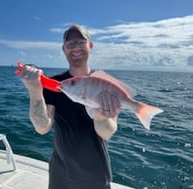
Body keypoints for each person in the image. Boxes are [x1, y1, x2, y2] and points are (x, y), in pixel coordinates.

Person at [19, 24, 120, 189]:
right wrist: (35, 91)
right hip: (60, 173)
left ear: (90, 45)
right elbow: (42, 128)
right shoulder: (57, 85)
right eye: (70, 44)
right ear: (64, 49)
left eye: (81, 41)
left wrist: (101, 115)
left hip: (96, 175)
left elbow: (107, 133)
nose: (76, 47)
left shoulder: (105, 84)